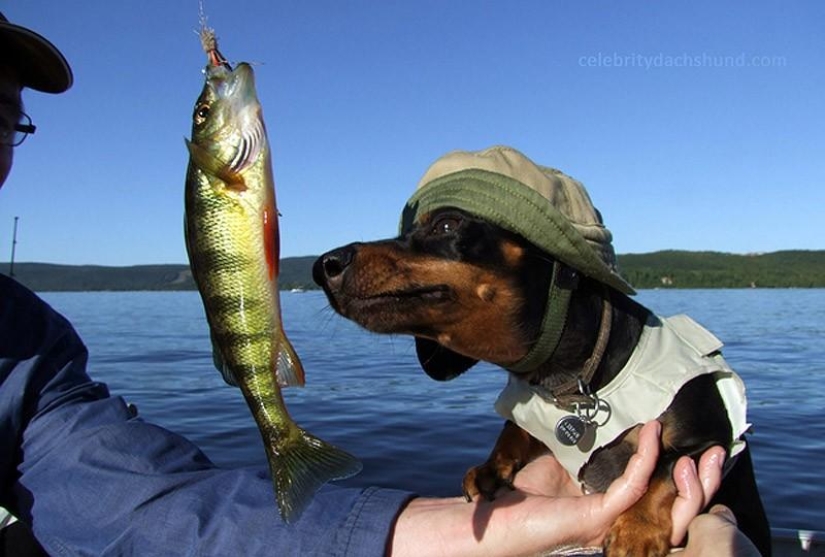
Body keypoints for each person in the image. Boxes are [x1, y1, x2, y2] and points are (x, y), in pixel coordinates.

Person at [0, 12, 760, 557]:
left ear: (555, 267)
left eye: (4, 113)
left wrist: (545, 519)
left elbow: (140, 501)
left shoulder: (30, 355)